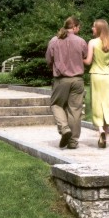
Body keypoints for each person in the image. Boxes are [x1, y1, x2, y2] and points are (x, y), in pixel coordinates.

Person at [45, 16, 88, 149]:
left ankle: (64, 129)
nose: (79, 30)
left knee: (56, 105)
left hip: (61, 79)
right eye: (78, 27)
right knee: (75, 110)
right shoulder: (81, 41)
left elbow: (48, 59)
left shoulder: (54, 40)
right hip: (78, 79)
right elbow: (85, 57)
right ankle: (73, 141)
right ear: (74, 27)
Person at [83, 19, 109, 148]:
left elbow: (87, 62)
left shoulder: (92, 42)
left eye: (93, 27)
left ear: (98, 29)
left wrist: (79, 58)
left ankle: (100, 131)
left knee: (97, 102)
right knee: (108, 103)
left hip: (96, 75)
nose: (92, 29)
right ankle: (106, 136)